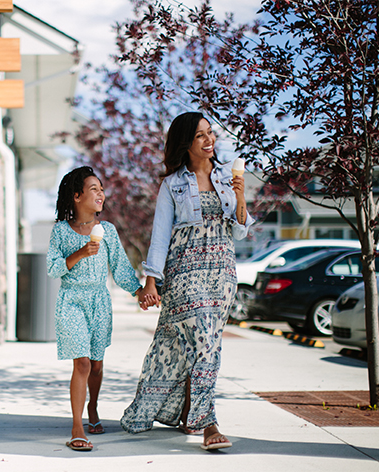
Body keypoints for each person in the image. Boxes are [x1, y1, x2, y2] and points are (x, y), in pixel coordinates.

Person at [120, 112, 254, 451]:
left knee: (190, 346)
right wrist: (152, 281)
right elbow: (160, 236)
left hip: (221, 273)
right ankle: (207, 423)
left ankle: (184, 412)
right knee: (205, 344)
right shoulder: (172, 184)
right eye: (200, 136)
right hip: (184, 272)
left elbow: (241, 228)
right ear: (186, 143)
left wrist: (240, 197)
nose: (209, 140)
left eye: (210, 133)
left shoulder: (227, 177)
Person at [47, 166, 146, 452]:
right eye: (94, 189)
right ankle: (77, 425)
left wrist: (138, 292)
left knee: (97, 364)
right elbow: (53, 269)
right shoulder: (61, 231)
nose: (101, 193)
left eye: (102, 189)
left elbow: (121, 268)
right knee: (82, 363)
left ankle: (93, 405)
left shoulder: (109, 232)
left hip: (99, 302)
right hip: (72, 301)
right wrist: (80, 252)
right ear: (77, 196)